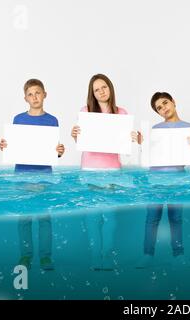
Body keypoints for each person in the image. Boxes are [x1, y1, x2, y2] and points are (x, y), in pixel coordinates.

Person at [71, 73, 140, 271]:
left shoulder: (122, 112)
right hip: (90, 168)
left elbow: (127, 146)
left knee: (110, 216)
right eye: (97, 89)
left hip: (113, 169)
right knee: (92, 215)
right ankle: (95, 256)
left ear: (110, 88)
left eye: (104, 87)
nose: (101, 91)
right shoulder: (85, 112)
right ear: (92, 93)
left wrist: (134, 138)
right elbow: (81, 142)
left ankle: (107, 254)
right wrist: (75, 135)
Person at [0, 78, 65, 270]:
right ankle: (26, 256)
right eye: (30, 94)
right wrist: (4, 146)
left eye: (38, 93)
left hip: (45, 174)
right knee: (24, 218)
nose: (34, 97)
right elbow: (13, 147)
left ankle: (45, 257)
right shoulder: (18, 119)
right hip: (22, 174)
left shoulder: (52, 120)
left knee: (44, 218)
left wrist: (59, 151)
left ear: (45, 94)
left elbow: (54, 150)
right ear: (25, 98)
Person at [136, 92, 190, 269]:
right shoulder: (155, 129)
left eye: (165, 103)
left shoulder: (188, 127)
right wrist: (142, 143)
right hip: (155, 179)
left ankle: (178, 255)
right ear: (158, 112)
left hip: (178, 179)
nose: (164, 108)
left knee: (176, 218)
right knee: (152, 218)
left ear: (174, 102)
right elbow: (147, 156)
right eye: (159, 108)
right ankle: (148, 255)